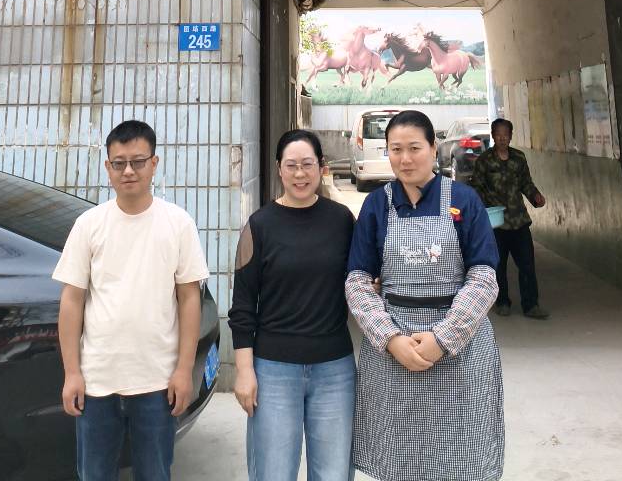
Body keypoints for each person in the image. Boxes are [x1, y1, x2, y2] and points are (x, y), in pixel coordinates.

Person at [345, 110, 504, 481]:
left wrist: (443, 338)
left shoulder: (464, 200)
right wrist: (391, 339)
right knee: (400, 459)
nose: (405, 158)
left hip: (460, 352)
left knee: (462, 457)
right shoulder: (376, 205)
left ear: (434, 148)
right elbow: (357, 281)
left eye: (414, 148)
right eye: (396, 149)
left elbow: (484, 277)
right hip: (393, 354)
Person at [53, 119, 210, 481]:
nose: (128, 171)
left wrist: (184, 370)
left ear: (154, 164)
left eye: (138, 162)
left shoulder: (178, 223)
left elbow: (189, 299)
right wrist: (72, 373)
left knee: (155, 473)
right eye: (119, 163)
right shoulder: (89, 224)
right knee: (94, 474)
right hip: (96, 381)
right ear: (107, 167)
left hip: (157, 381)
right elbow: (72, 300)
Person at [229, 129, 356, 481]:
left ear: (321, 167)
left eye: (307, 164)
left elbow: (361, 281)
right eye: (291, 165)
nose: (300, 174)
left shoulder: (342, 220)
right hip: (273, 370)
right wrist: (244, 371)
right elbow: (242, 307)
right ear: (279, 169)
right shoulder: (259, 225)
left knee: (333, 473)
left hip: (334, 369)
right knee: (273, 472)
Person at [470, 117, 549, 320]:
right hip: (496, 223)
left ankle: (531, 305)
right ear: (493, 136)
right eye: (498, 134)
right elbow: (476, 187)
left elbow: (526, 183)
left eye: (506, 134)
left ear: (511, 136)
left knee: (527, 265)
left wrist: (536, 196)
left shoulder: (519, 158)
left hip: (519, 220)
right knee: (498, 266)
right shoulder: (484, 161)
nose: (502, 138)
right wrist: (482, 211)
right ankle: (502, 302)